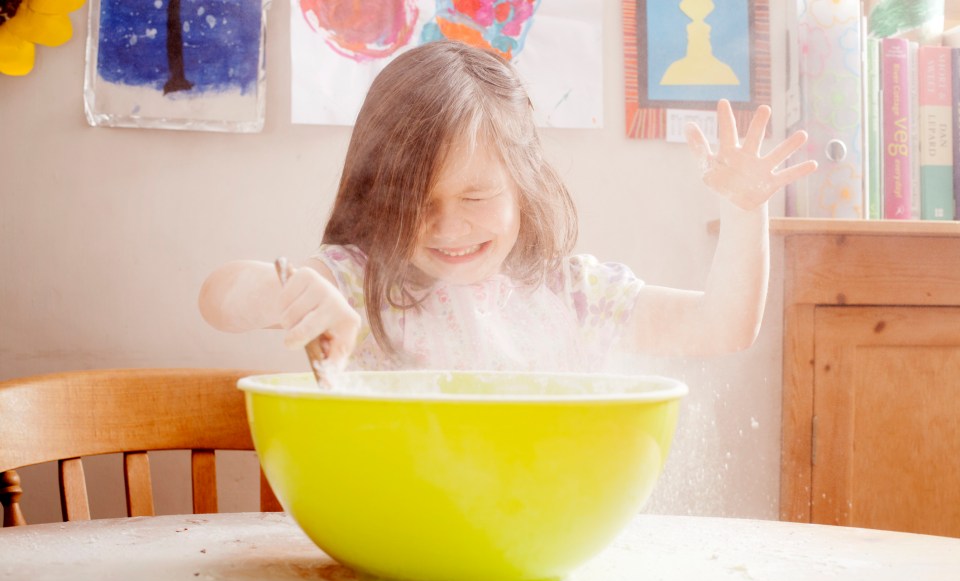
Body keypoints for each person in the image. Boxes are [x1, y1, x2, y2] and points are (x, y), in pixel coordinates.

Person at [198, 40, 817, 373]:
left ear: (524, 184)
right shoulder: (358, 284)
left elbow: (721, 329)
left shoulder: (571, 293)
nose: (448, 227)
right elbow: (219, 297)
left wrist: (744, 213)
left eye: (476, 196)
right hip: (390, 534)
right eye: (417, 202)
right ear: (378, 194)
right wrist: (285, 296)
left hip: (530, 542)